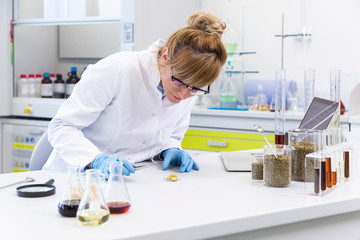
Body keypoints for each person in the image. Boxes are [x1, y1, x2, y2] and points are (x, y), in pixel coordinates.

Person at [43, 11, 227, 178]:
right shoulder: (116, 69)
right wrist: (97, 160)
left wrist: (170, 148)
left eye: (196, 89)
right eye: (179, 83)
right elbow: (62, 126)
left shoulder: (186, 87)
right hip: (76, 178)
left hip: (136, 179)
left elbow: (169, 134)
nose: (184, 95)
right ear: (165, 56)